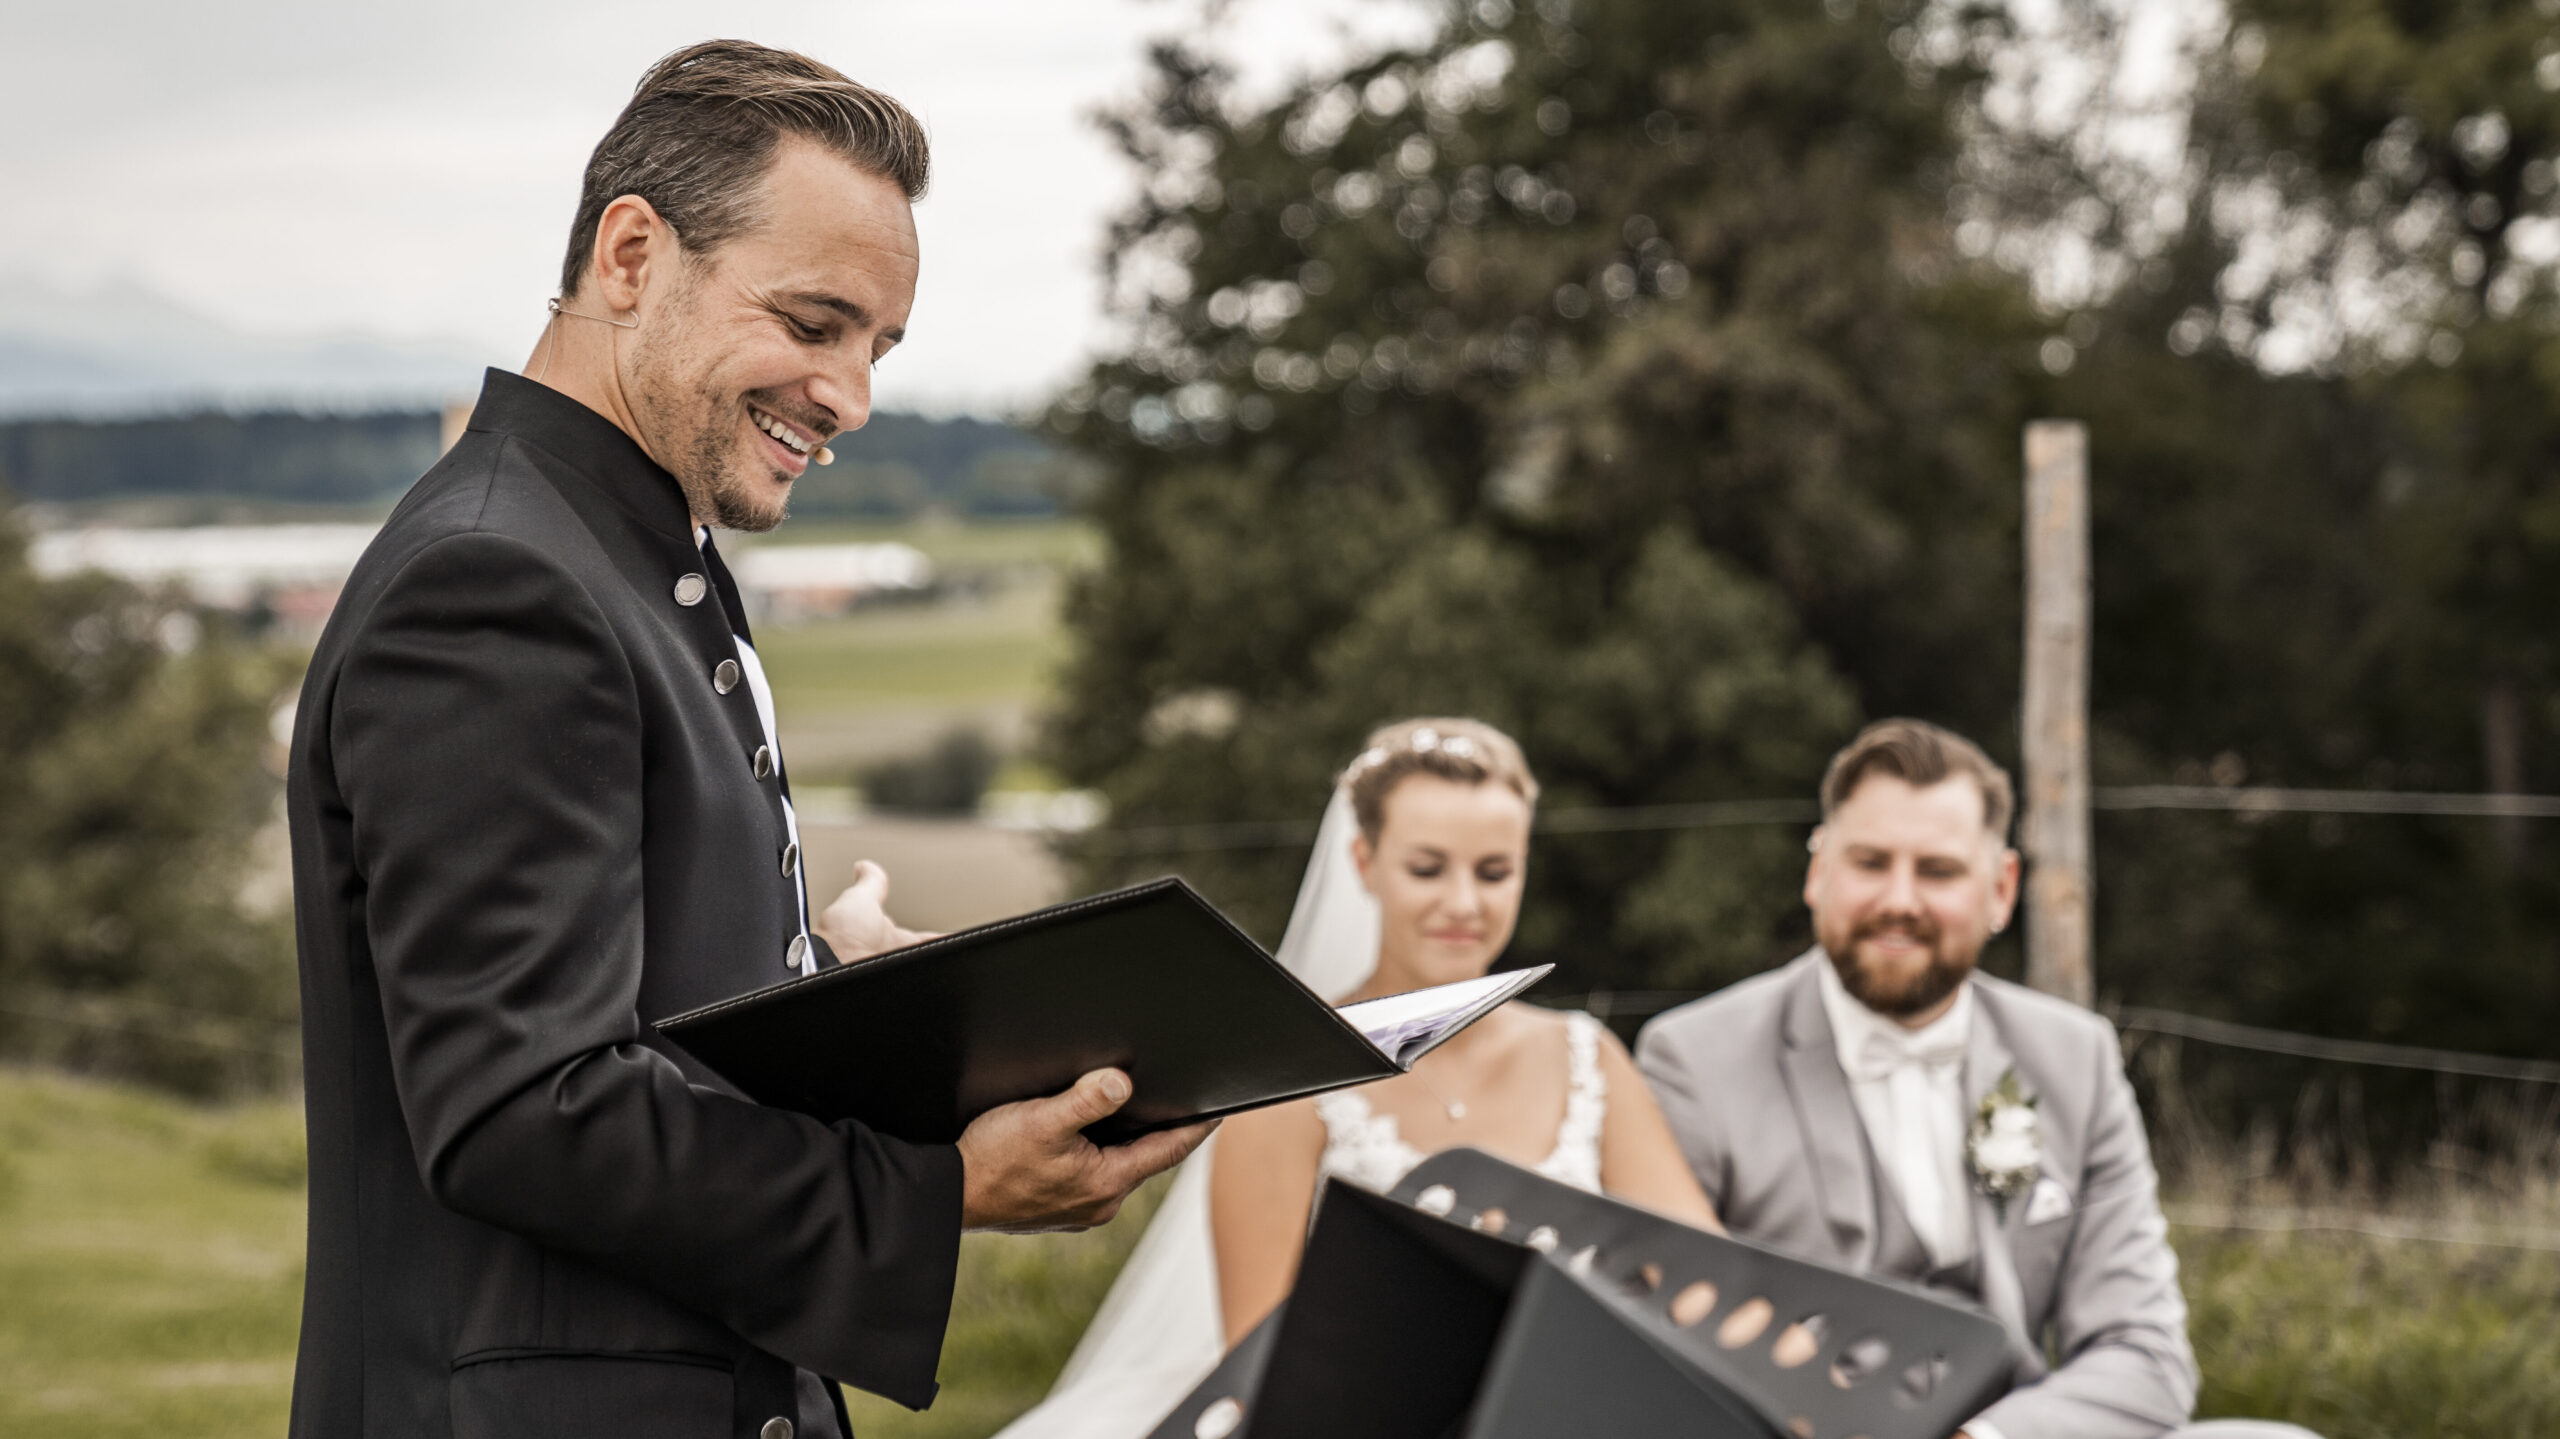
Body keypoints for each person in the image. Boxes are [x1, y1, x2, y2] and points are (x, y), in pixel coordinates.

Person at [283, 41, 1205, 1439]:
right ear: (635, 255)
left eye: (878, 347)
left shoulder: (626, 545)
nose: (850, 397)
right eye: (815, 322)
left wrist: (883, 1016)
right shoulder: (498, 582)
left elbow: (635, 1005)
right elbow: (527, 1105)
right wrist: (940, 1195)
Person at [992, 718, 1719, 1439]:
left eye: (1494, 871)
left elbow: (1708, 1283)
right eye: (1428, 868)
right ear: (1364, 861)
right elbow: (1265, 1361)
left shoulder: (1586, 1057)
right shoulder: (1289, 1077)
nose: (1464, 903)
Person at [1636, 719, 2319, 1439]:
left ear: (2001, 888)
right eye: (1870, 862)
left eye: (1938, 871)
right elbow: (1662, 1331)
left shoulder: (2073, 1057)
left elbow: (2143, 1354)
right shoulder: (1694, 1057)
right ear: (1818, 870)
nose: (1900, 899)